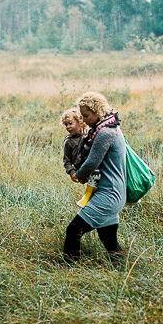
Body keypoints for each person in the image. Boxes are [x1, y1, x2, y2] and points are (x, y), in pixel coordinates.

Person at [63, 92, 127, 264]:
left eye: (86, 116)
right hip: (113, 192)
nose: (83, 120)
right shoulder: (111, 126)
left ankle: (70, 270)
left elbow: (92, 162)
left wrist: (78, 175)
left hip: (109, 194)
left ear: (97, 111)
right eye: (81, 116)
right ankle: (123, 269)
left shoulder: (105, 132)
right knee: (109, 241)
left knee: (73, 230)